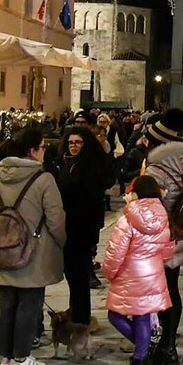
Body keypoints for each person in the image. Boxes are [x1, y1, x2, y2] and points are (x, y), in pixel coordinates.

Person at [0, 128, 66, 365]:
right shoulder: (43, 180)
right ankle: (22, 357)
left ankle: (6, 357)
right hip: (34, 251)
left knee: (6, 303)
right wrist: (61, 242)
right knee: (29, 304)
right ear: (32, 151)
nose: (44, 152)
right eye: (42, 147)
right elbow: (55, 219)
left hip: (3, 249)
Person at [102, 175, 175, 365]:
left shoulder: (128, 218)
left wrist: (109, 272)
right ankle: (140, 361)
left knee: (115, 315)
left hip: (131, 273)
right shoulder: (164, 216)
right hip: (153, 271)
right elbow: (168, 249)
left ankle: (144, 353)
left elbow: (116, 251)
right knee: (142, 316)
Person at [141, 108, 183, 365]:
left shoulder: (157, 169)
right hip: (177, 234)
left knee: (158, 292)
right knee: (172, 288)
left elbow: (148, 205)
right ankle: (170, 343)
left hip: (158, 237)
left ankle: (162, 345)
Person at [56, 126, 113, 322]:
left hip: (82, 228)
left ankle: (81, 317)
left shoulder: (91, 167)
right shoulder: (66, 163)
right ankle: (76, 310)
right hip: (68, 226)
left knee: (79, 274)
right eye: (71, 142)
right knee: (72, 273)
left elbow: (91, 199)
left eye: (78, 142)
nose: (73, 146)